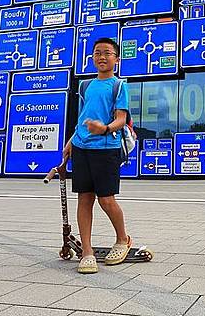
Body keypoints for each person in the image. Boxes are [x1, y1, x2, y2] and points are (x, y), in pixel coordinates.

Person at [62, 37, 133, 274]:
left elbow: (121, 119)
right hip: (82, 147)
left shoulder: (119, 85)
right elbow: (83, 118)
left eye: (107, 53)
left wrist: (104, 129)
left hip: (106, 148)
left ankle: (123, 239)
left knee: (106, 200)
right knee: (84, 199)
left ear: (116, 58)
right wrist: (71, 142)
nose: (101, 57)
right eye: (97, 53)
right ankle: (87, 253)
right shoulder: (85, 85)